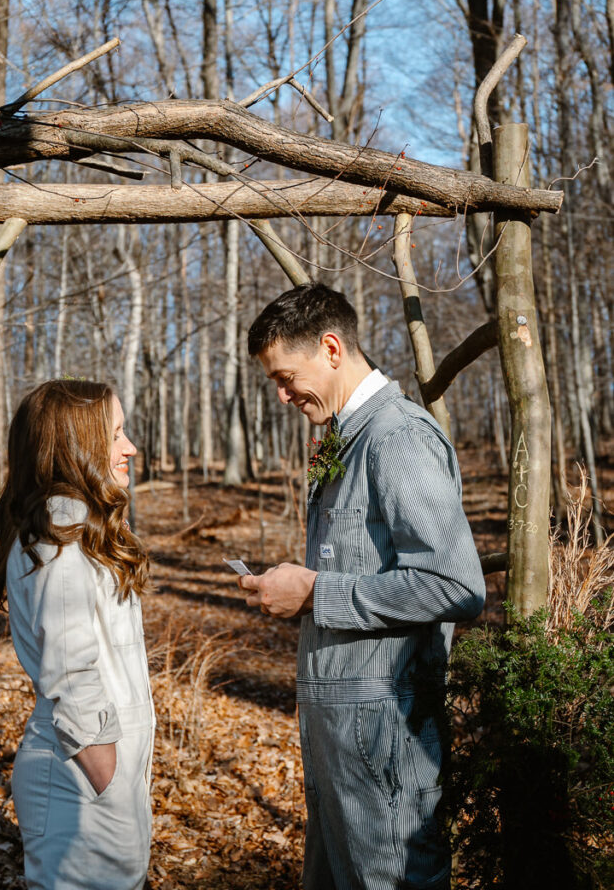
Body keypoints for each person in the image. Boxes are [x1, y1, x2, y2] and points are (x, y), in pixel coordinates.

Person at [240, 284, 486, 890]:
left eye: (286, 376)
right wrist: (293, 586)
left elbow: (454, 584)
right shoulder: (344, 436)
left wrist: (316, 593)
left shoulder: (397, 437)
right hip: (337, 747)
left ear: (330, 348)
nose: (281, 394)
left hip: (388, 749)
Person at [0, 379, 155, 890]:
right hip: (81, 773)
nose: (130, 448)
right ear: (75, 445)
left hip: (95, 770)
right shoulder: (62, 531)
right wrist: (109, 776)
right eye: (116, 434)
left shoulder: (77, 526)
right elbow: (70, 668)